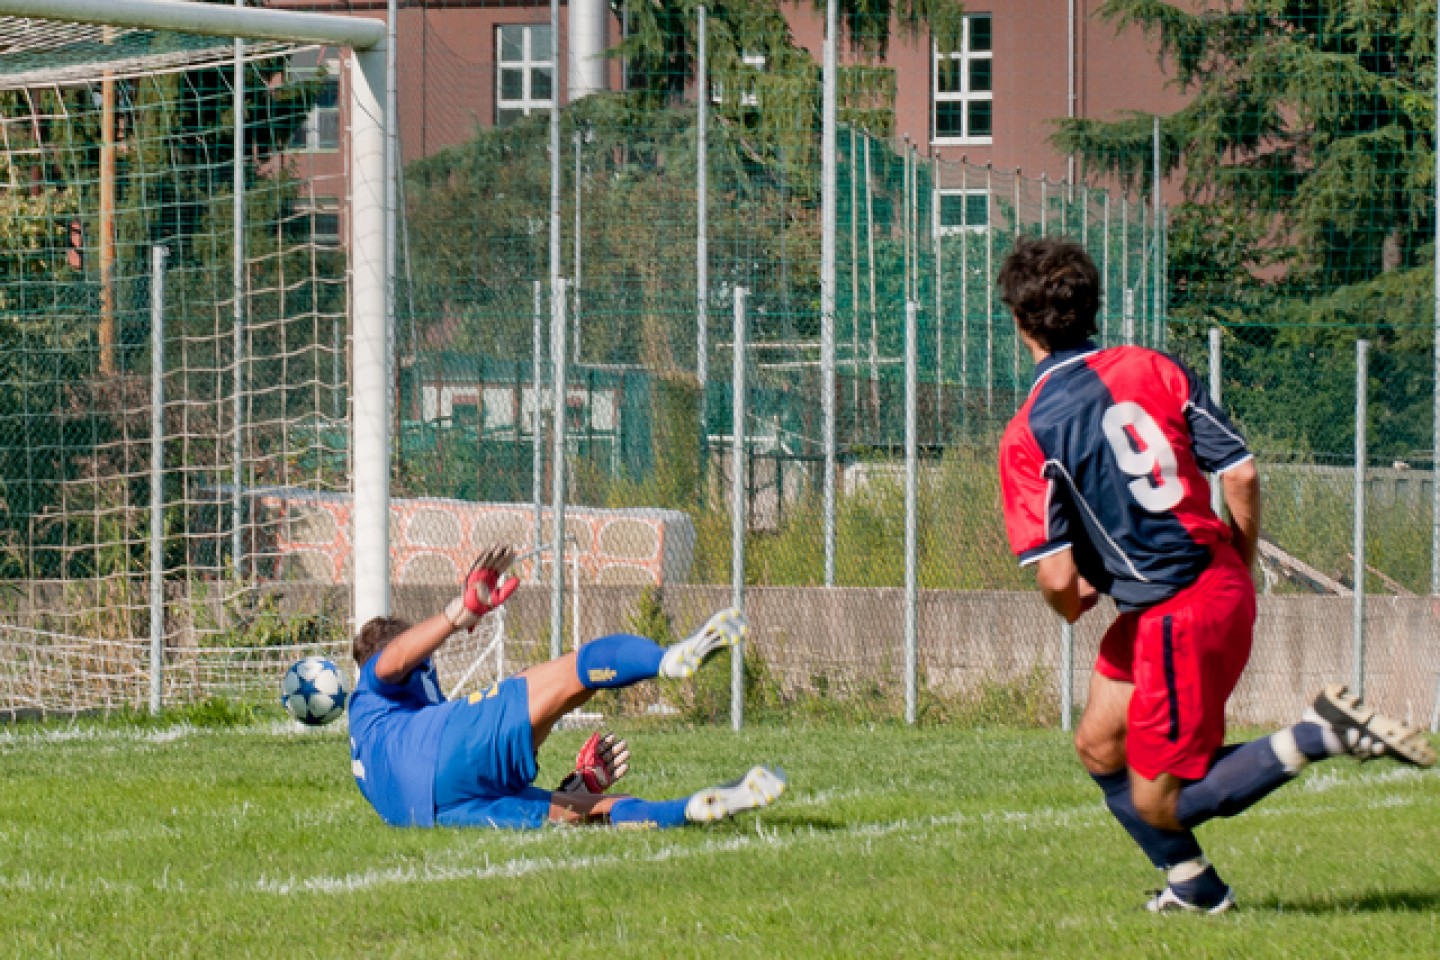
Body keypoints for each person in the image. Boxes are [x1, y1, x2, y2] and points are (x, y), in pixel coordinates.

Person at [995, 236, 1435, 913]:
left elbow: (1057, 581)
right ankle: (1194, 886)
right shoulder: (1155, 367)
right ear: (1090, 307)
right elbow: (1242, 472)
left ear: (1020, 322)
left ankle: (1321, 733)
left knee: (1161, 796)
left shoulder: (1030, 433)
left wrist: (1069, 601)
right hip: (1200, 588)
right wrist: (1245, 559)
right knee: (1099, 745)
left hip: (1177, 612)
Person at [347, 546, 786, 830]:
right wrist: (458, 613)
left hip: (438, 811)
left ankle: (688, 809)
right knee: (573, 674)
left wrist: (581, 783)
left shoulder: (368, 756)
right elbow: (395, 658)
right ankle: (665, 659)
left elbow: (459, 779)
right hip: (442, 748)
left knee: (585, 814)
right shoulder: (371, 690)